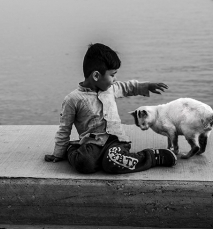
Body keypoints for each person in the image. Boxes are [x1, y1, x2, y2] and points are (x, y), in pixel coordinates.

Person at [44, 43, 177, 174]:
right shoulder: (73, 99)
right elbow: (64, 128)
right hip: (92, 144)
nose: (115, 79)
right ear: (96, 76)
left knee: (112, 163)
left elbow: (128, 87)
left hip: (116, 142)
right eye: (112, 75)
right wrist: (59, 153)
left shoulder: (111, 89)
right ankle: (72, 150)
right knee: (84, 164)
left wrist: (147, 86)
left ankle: (152, 157)